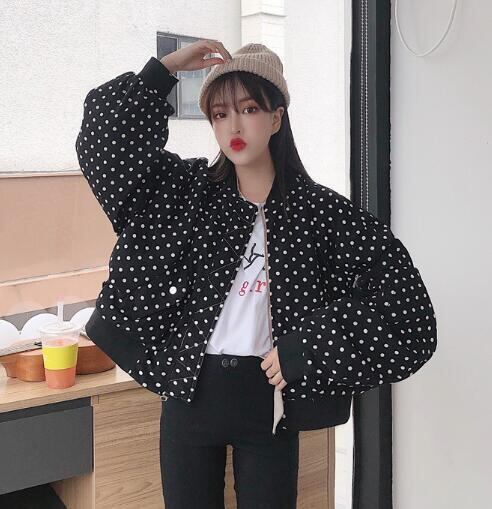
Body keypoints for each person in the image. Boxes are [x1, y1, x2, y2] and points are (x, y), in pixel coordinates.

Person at [76, 40, 437, 509]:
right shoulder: (186, 195)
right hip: (188, 391)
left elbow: (409, 316)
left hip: (269, 402)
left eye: (248, 109)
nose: (234, 127)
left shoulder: (321, 215)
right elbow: (105, 148)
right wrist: (163, 71)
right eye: (220, 114)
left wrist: (308, 348)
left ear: (276, 118)